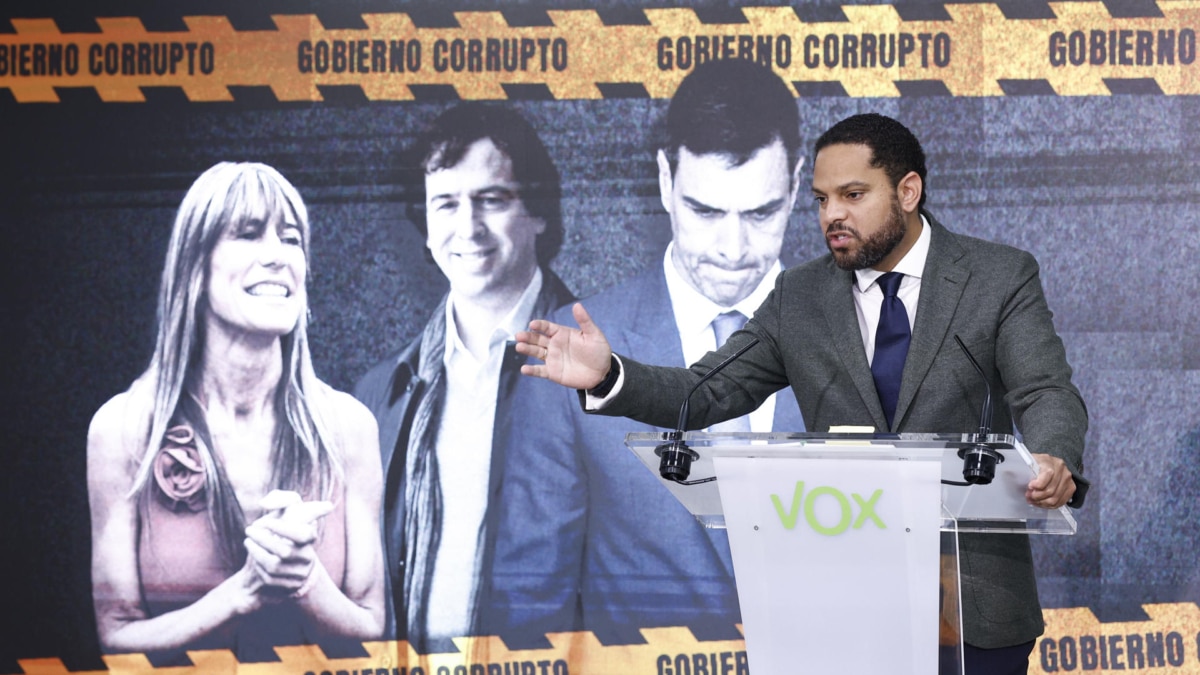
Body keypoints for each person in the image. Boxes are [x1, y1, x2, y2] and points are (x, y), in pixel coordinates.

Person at [515, 113, 1089, 674]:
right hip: (843, 613)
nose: (831, 215)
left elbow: (1045, 392)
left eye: (853, 195)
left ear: (908, 191)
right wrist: (609, 374)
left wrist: (1054, 456)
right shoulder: (800, 296)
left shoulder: (997, 277)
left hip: (970, 611)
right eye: (821, 200)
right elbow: (706, 392)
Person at [486, 58, 806, 648]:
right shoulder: (567, 349)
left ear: (796, 184)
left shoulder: (874, 340)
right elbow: (525, 615)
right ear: (664, 181)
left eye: (760, 213)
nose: (733, 249)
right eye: (705, 212)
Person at [86, 162, 385, 664]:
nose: (276, 257)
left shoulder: (350, 427)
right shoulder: (122, 429)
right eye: (248, 235)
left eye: (290, 239)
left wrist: (305, 579)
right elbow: (115, 636)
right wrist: (241, 591)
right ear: (195, 267)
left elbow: (373, 629)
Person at [353, 103, 576, 651]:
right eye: (445, 203)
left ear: (538, 212)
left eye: (492, 199)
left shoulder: (605, 370)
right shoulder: (379, 395)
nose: (467, 227)